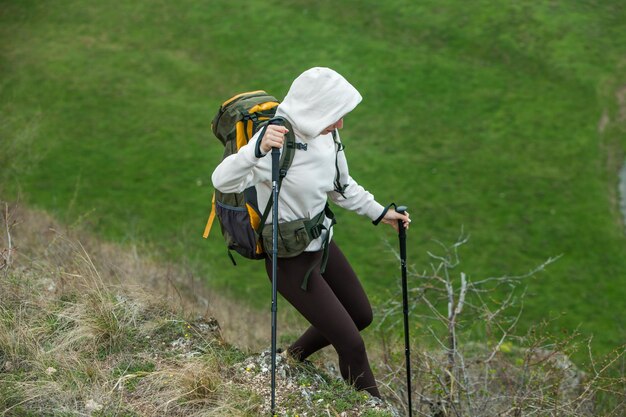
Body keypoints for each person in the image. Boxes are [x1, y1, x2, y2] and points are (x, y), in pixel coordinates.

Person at [211, 67, 410, 398]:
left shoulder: (327, 135)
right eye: (336, 115)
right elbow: (222, 180)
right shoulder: (275, 142)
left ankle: (292, 358)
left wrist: (381, 214)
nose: (341, 124)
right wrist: (255, 150)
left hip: (321, 243)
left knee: (360, 315)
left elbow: (340, 187)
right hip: (288, 261)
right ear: (315, 109)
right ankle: (372, 407)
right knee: (351, 345)